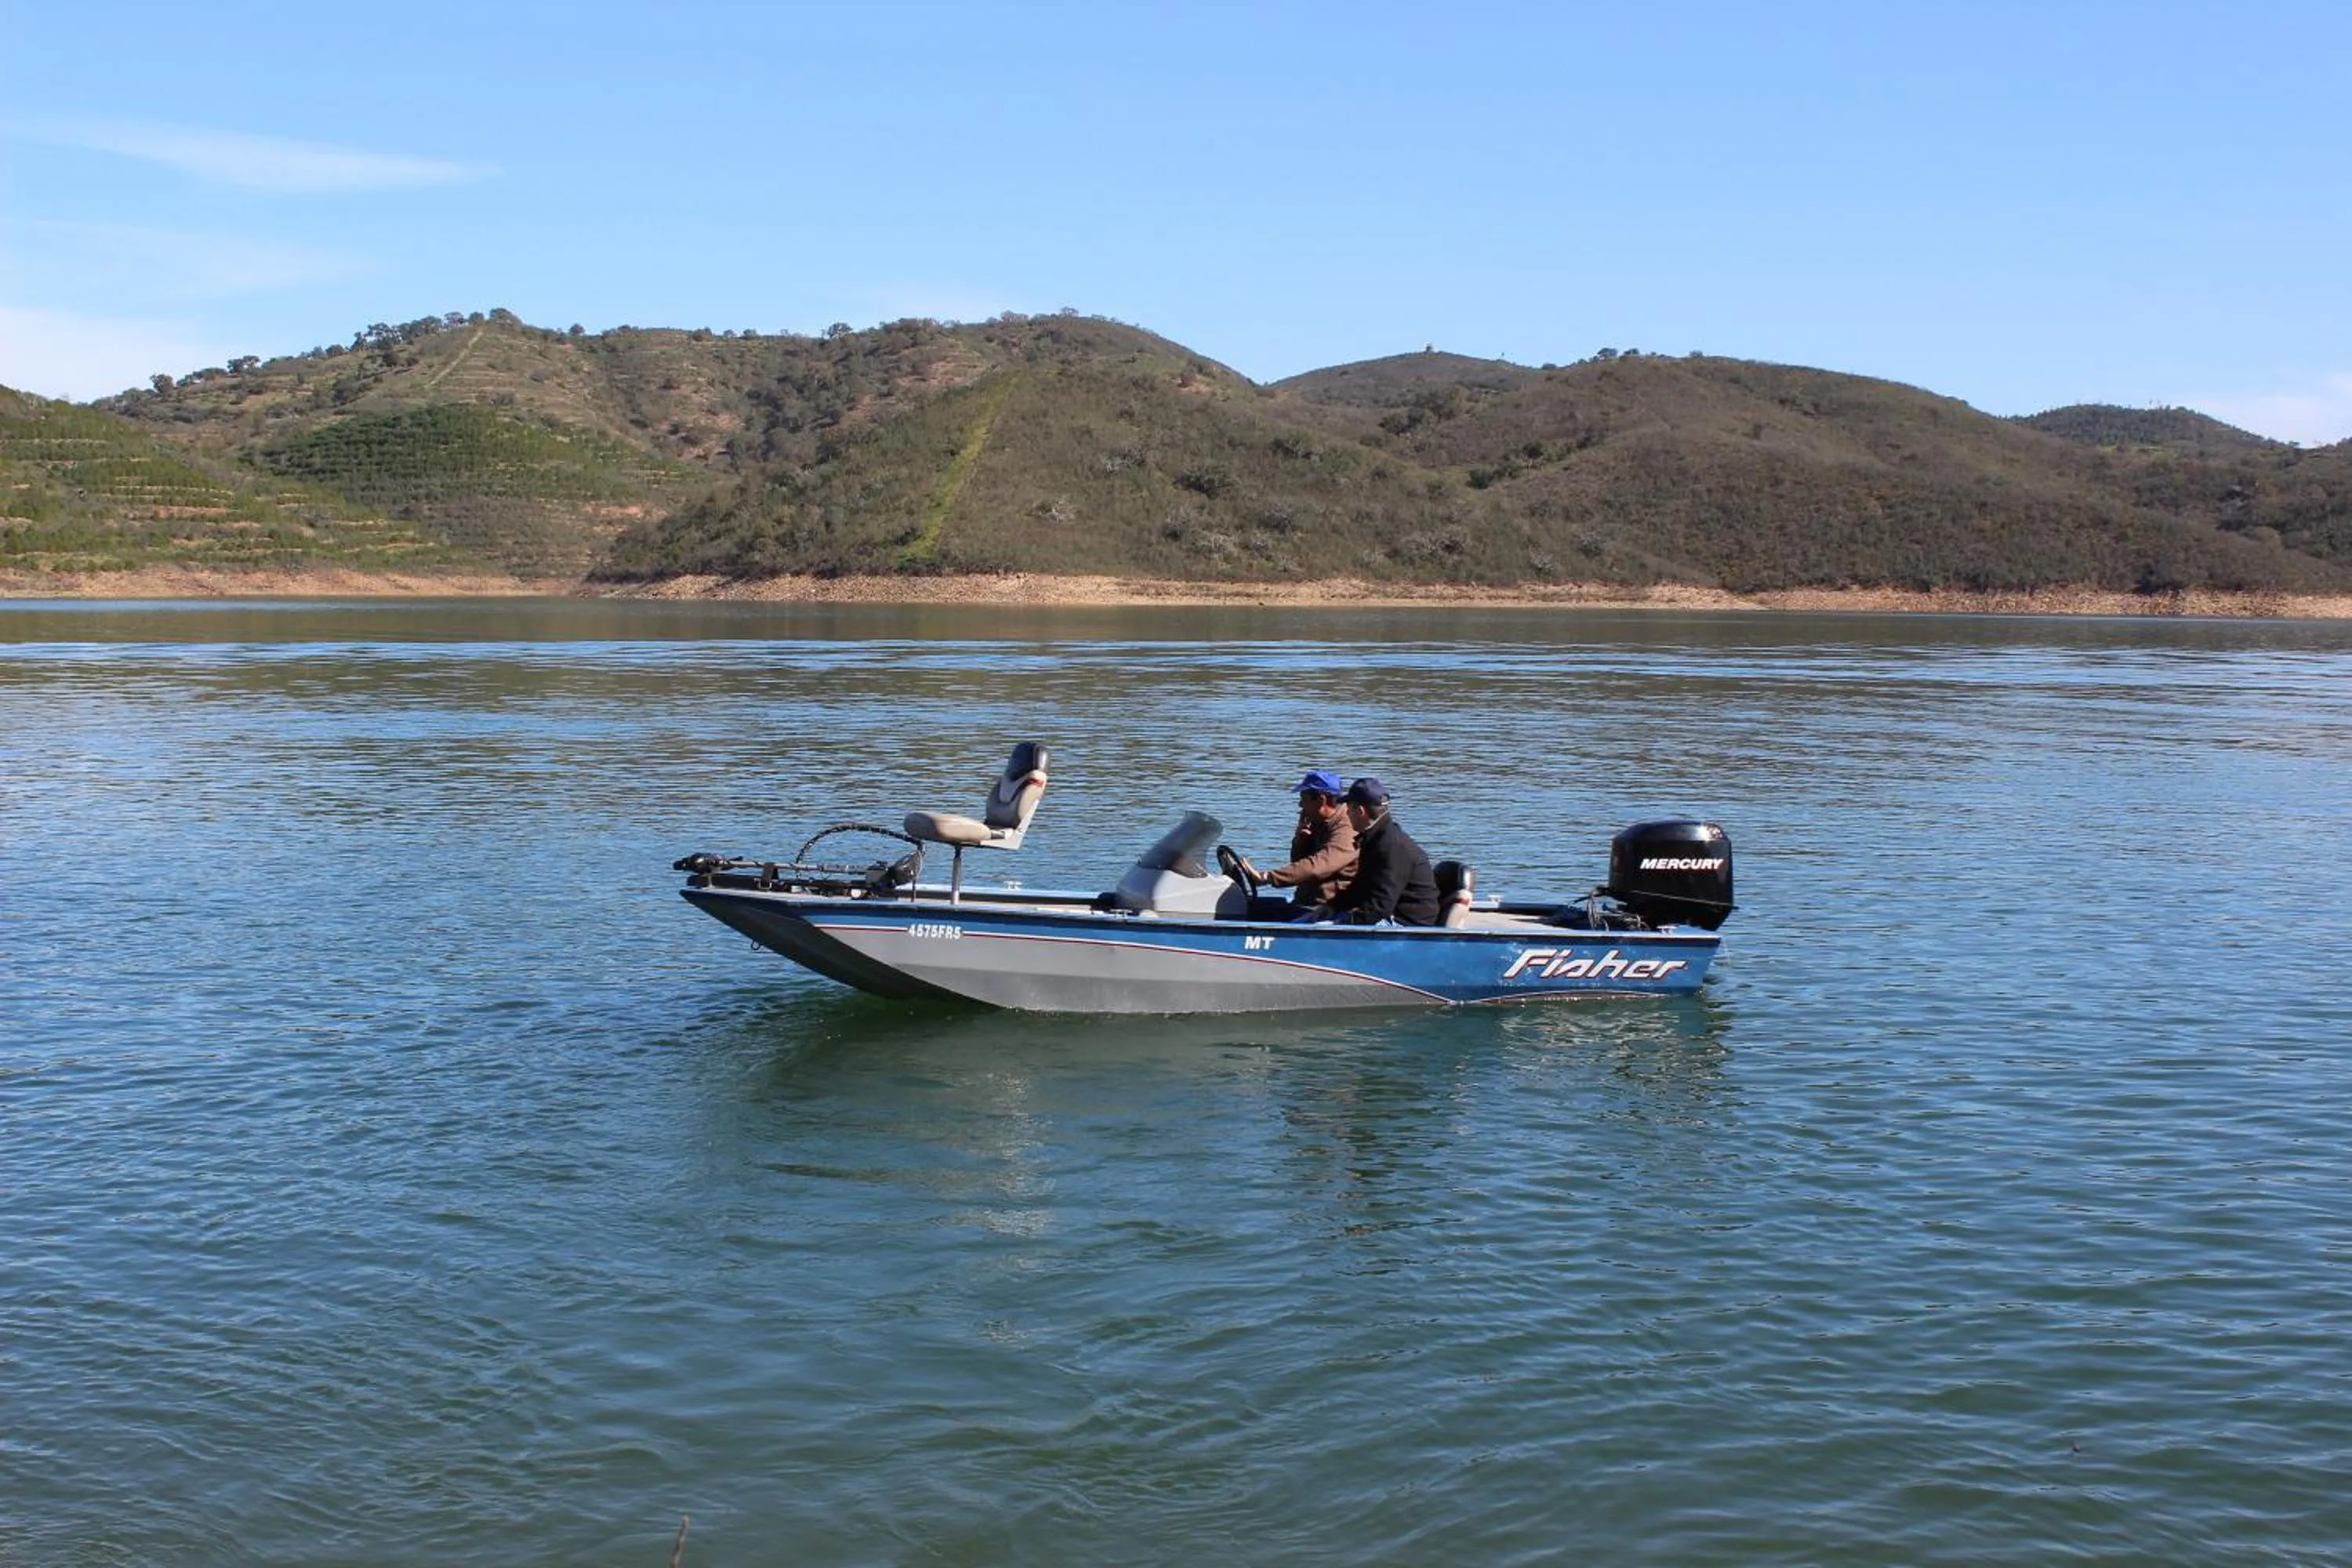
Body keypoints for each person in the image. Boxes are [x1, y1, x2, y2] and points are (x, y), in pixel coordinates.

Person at [1327, 777, 1440, 926]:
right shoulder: (1376, 838)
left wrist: (1341, 923)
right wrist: (1330, 908)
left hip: (1408, 925)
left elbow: (1379, 908)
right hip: (1388, 915)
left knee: (1322, 930)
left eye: (1349, 808)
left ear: (1360, 811)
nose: (1347, 813)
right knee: (1316, 920)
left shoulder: (1391, 846)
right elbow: (1359, 889)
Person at [1242, 769, 1359, 910]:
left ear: (1321, 800)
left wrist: (1267, 877)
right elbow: (1298, 864)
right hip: (1306, 902)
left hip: (1328, 909)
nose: (1300, 805)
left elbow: (1318, 867)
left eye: (1304, 799)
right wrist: (1301, 840)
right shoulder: (1318, 822)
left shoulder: (1347, 828)